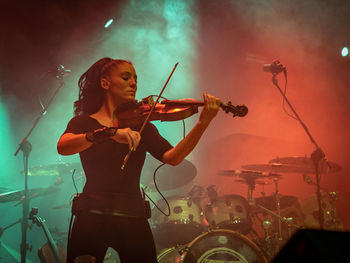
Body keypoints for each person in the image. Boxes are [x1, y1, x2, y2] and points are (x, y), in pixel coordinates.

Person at [57, 57, 221, 263]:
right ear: (105, 83)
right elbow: (63, 146)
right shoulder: (83, 122)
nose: (134, 83)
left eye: (135, 79)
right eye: (126, 78)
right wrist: (107, 133)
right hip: (92, 214)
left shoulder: (141, 126)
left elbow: (174, 158)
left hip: (132, 215)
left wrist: (203, 123)